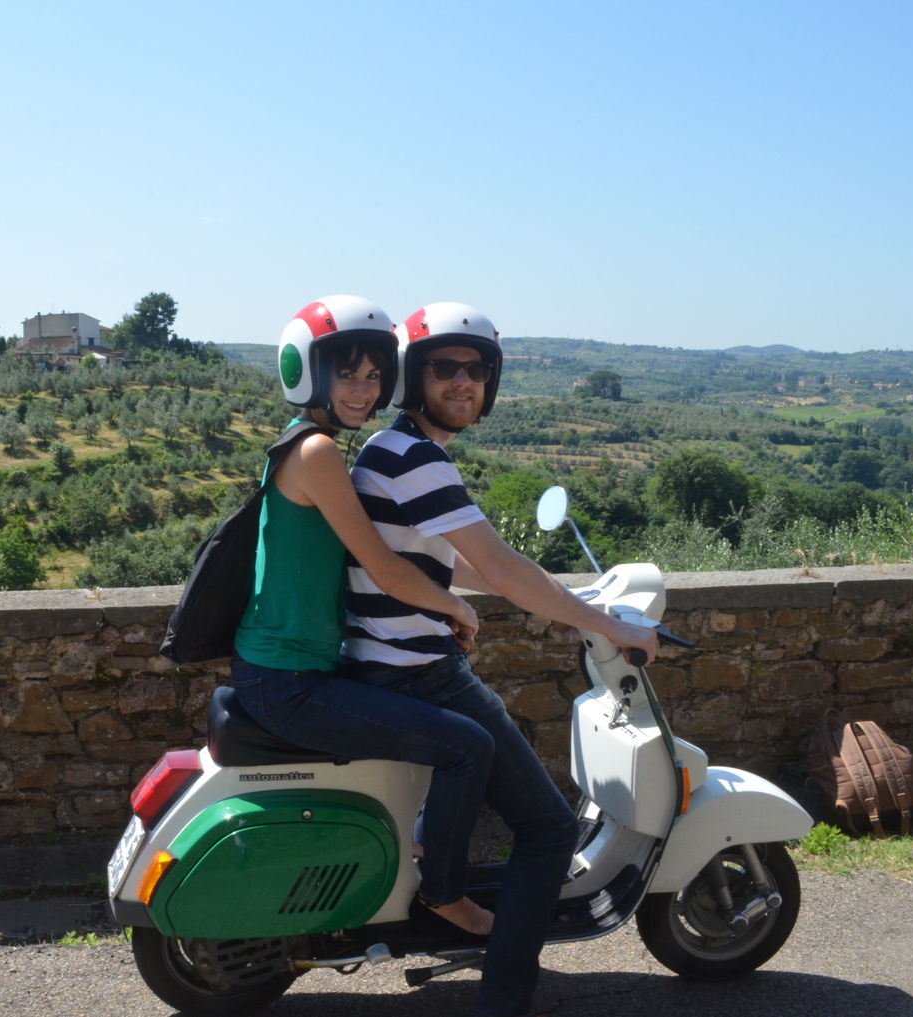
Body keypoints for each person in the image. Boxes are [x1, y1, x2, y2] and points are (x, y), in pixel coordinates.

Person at [342, 301, 659, 1017]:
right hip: (416, 668)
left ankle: (437, 870)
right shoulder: (414, 458)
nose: (463, 382)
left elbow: (461, 563)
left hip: (389, 659)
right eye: (444, 367)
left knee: (488, 760)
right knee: (549, 828)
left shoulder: (395, 451)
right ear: (413, 376)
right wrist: (605, 621)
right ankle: (502, 996)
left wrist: (572, 596)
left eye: (476, 370)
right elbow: (502, 568)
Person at [230, 294, 498, 936]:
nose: (362, 388)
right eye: (347, 373)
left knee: (439, 739)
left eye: (374, 375)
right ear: (310, 372)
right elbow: (384, 568)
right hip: (288, 682)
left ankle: (418, 856)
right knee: (467, 746)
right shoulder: (320, 454)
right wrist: (458, 606)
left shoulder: (306, 445)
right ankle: (445, 893)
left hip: (289, 668)